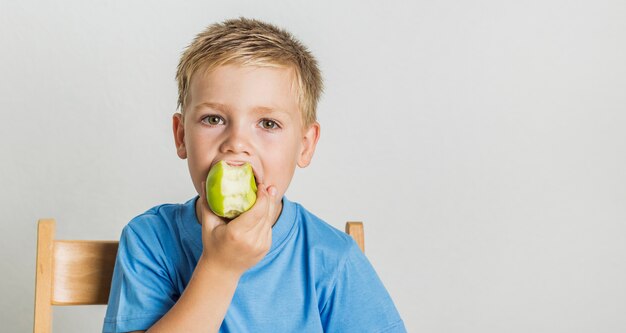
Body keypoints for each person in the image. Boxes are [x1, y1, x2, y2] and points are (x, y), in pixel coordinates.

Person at [103, 17, 406, 333]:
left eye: (268, 124)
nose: (236, 144)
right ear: (181, 136)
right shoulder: (150, 241)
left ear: (304, 145)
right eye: (214, 119)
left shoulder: (331, 260)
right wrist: (220, 268)